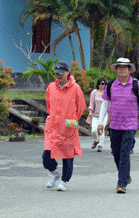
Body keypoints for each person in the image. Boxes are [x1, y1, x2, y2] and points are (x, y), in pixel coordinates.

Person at [97, 58, 139, 194]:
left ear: (129, 70)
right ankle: (125, 175)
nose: (122, 69)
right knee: (115, 151)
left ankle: (121, 183)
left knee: (125, 152)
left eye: (125, 67)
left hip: (130, 124)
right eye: (119, 67)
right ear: (116, 70)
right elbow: (105, 105)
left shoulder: (137, 85)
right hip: (114, 124)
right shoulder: (110, 85)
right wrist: (101, 122)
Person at [43, 61, 87, 192]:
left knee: (68, 156)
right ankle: (54, 173)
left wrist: (72, 119)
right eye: (56, 73)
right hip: (53, 127)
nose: (58, 76)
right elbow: (48, 104)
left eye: (61, 73)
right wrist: (53, 116)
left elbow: (81, 107)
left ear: (68, 73)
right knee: (46, 155)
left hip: (68, 127)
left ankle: (64, 181)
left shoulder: (76, 88)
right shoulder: (51, 87)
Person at [88, 77, 108, 152]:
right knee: (93, 130)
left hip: (104, 115)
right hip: (95, 115)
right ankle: (96, 140)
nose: (101, 85)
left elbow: (109, 105)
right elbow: (91, 103)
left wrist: (109, 116)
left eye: (102, 83)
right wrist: (90, 111)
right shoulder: (94, 92)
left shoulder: (107, 93)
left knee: (101, 129)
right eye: (99, 83)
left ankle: (100, 145)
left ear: (105, 84)